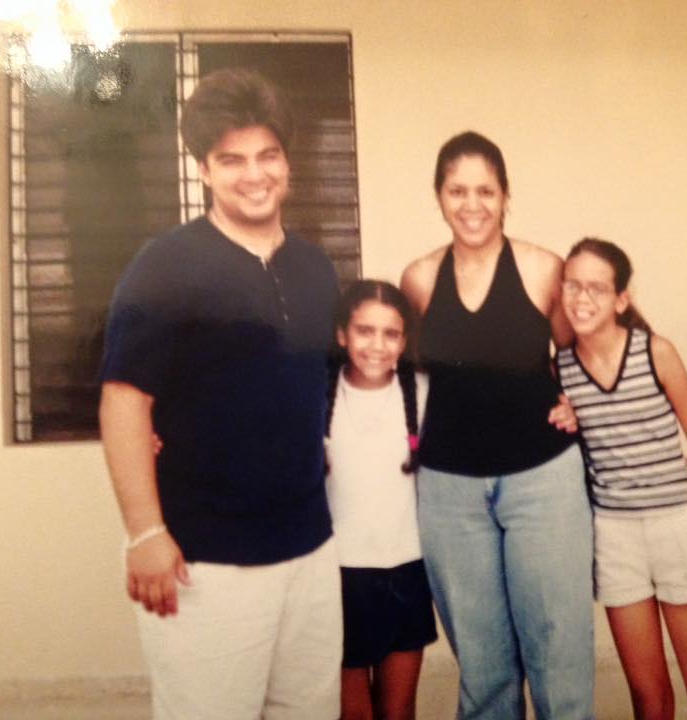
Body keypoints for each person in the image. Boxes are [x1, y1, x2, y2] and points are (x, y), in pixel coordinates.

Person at [98, 68, 342, 720]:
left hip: (310, 551)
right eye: (230, 160)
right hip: (205, 561)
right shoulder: (166, 266)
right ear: (204, 170)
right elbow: (123, 401)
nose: (253, 174)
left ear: (288, 162)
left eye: (267, 155)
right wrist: (144, 532)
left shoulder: (316, 269)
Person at [400, 131, 594, 720]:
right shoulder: (419, 278)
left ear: (506, 196)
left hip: (543, 482)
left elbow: (590, 347)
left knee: (559, 656)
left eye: (485, 190)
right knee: (484, 669)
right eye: (457, 191)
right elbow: (385, 365)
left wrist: (585, 407)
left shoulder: (543, 269)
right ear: (438, 197)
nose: (472, 204)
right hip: (449, 491)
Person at [556, 238, 687, 720]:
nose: (581, 298)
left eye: (596, 287)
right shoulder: (561, 370)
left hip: (675, 530)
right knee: (650, 701)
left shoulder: (656, 352)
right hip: (614, 541)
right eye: (572, 285)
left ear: (621, 299)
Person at [324, 279, 438, 720]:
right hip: (339, 575)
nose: (377, 345)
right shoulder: (318, 396)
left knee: (398, 710)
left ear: (405, 340)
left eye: (391, 334)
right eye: (364, 331)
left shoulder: (424, 393)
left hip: (407, 572)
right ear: (341, 334)